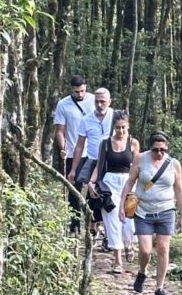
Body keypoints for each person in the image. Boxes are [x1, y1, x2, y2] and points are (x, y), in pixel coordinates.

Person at [120, 131, 182, 295]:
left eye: (162, 150)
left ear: (167, 148)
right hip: (143, 211)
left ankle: (159, 288)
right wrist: (122, 205)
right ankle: (142, 271)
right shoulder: (141, 159)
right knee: (146, 250)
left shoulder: (174, 164)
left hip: (166, 210)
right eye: (156, 150)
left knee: (164, 248)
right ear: (151, 148)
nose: (159, 153)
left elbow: (179, 190)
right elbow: (130, 182)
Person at [88, 111, 140, 274]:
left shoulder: (133, 143)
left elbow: (137, 166)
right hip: (110, 182)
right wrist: (91, 182)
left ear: (128, 126)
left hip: (129, 181)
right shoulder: (105, 144)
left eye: (123, 127)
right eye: (117, 128)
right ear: (113, 127)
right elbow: (99, 165)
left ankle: (128, 243)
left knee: (129, 219)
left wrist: (142, 185)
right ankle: (117, 260)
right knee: (112, 219)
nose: (121, 131)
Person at [53, 75, 95, 234]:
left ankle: (93, 223)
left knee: (94, 188)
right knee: (74, 189)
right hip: (73, 153)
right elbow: (60, 131)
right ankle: (74, 225)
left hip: (92, 152)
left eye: (82, 91)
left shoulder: (93, 101)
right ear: (72, 89)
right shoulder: (63, 104)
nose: (80, 94)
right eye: (77, 91)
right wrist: (62, 147)